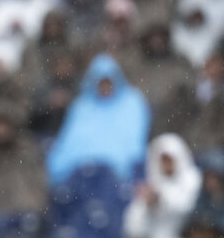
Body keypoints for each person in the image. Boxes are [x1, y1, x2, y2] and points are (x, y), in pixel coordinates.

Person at [95, 133, 201, 238]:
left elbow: (189, 208)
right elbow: (133, 231)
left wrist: (161, 200)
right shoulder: (152, 185)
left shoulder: (192, 180)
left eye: (169, 160)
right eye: (161, 160)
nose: (165, 165)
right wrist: (146, 206)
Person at [46, 54, 150, 184]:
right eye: (101, 83)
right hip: (81, 172)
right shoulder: (82, 105)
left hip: (116, 176)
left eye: (108, 83)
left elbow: (133, 141)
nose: (105, 88)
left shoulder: (132, 102)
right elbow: (69, 141)